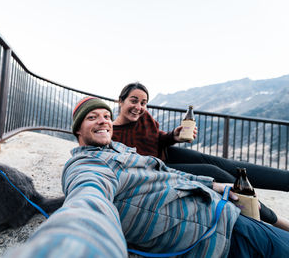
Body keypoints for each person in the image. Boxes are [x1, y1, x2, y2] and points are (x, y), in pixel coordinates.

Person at [5, 97, 289, 258]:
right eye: (92, 118)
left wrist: (214, 185)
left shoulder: (120, 147)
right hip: (213, 233)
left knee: (221, 171)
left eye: (105, 116)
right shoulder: (86, 164)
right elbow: (88, 198)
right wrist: (71, 244)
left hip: (217, 210)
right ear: (77, 131)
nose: (103, 120)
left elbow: (162, 167)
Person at [112, 82, 289, 231]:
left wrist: (174, 135)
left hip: (165, 153)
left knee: (220, 163)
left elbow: (157, 138)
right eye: (133, 101)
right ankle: (278, 222)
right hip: (156, 170)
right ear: (120, 101)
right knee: (214, 172)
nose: (139, 107)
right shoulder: (111, 134)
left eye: (143, 103)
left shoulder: (144, 118)